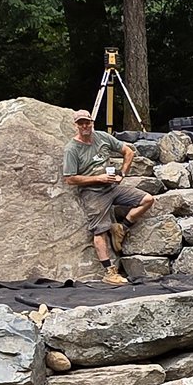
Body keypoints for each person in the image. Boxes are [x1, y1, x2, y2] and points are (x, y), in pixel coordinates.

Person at [62, 112, 151, 286]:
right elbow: (70, 179)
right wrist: (98, 178)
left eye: (87, 122)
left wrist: (122, 174)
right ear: (76, 125)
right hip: (92, 192)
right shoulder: (72, 149)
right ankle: (109, 272)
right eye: (81, 124)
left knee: (148, 199)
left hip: (112, 187)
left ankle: (121, 228)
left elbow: (128, 152)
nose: (85, 126)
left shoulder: (102, 137)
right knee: (99, 231)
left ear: (92, 122)